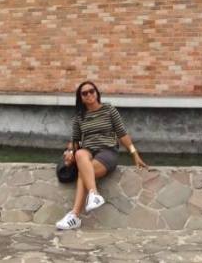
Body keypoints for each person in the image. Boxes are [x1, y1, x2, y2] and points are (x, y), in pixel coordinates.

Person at [55, 80, 148, 230]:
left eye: (91, 91)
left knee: (83, 172)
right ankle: (94, 195)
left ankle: (75, 215)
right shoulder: (79, 117)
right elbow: (75, 141)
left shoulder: (109, 110)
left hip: (107, 151)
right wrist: (70, 152)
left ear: (97, 93)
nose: (89, 94)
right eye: (84, 93)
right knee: (80, 154)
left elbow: (122, 134)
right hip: (88, 151)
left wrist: (135, 154)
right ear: (81, 98)